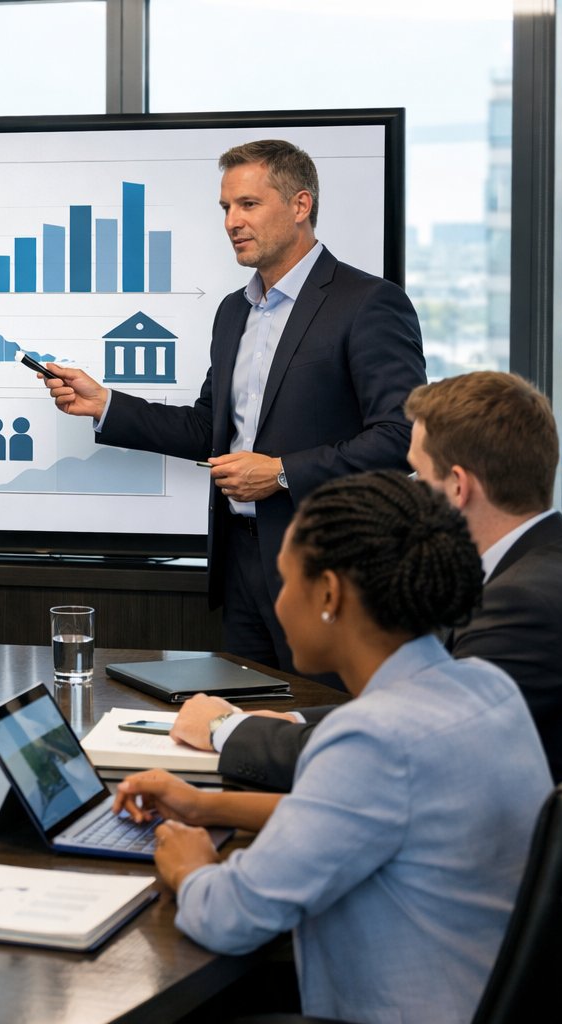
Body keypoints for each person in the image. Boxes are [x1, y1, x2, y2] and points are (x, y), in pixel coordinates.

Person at [115, 471, 552, 1023]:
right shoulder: (487, 687)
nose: (277, 605)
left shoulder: (376, 738)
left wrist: (192, 868)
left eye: (286, 582)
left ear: (328, 593)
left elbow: (229, 917)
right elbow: (363, 817)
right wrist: (204, 805)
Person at [42, 140, 424, 670]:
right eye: (226, 208)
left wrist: (283, 473)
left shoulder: (368, 303)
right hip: (240, 565)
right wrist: (105, 404)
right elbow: (207, 429)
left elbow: (401, 437)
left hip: (327, 572)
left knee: (312, 729)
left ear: (300, 205)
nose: (232, 222)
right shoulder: (232, 312)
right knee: (247, 733)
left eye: (248, 204)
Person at [178, 371, 562, 789]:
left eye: (419, 478)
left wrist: (226, 729)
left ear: (460, 487)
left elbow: (400, 753)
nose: (412, 494)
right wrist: (293, 718)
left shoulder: (526, 606)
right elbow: (416, 712)